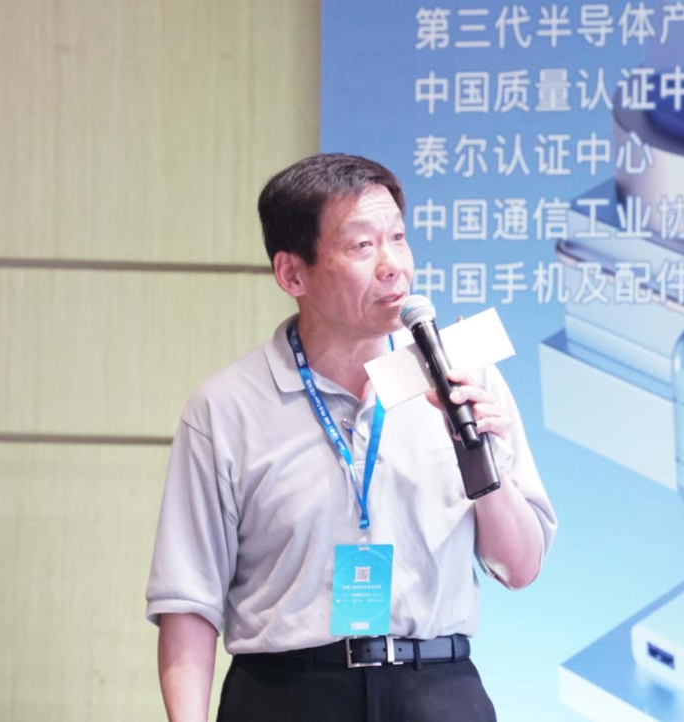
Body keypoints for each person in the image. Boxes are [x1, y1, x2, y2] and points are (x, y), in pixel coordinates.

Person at [147, 153, 557, 722]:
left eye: (398, 239)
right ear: (293, 274)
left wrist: (481, 461)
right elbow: (188, 602)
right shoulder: (226, 406)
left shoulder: (465, 376)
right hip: (287, 696)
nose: (393, 266)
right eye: (363, 246)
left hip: (436, 688)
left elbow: (520, 567)